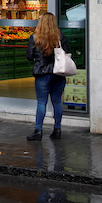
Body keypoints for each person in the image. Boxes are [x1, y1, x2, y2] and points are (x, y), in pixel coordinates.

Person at [25, 12, 70, 141]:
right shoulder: (60, 37)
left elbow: (29, 55)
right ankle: (57, 129)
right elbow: (67, 53)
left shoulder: (35, 37)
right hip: (58, 73)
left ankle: (38, 130)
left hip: (42, 73)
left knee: (41, 102)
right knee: (57, 101)